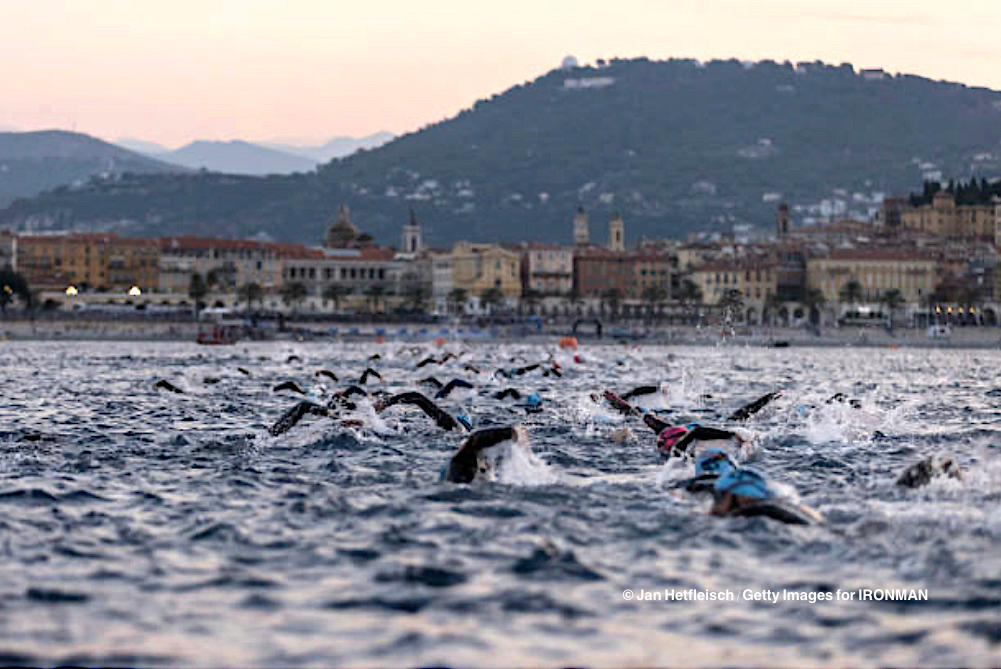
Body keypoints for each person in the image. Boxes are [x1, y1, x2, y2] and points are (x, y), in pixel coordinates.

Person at [710, 467, 824, 525]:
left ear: (742, 496)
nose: (714, 504)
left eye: (719, 496)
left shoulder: (752, 512)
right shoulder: (780, 507)